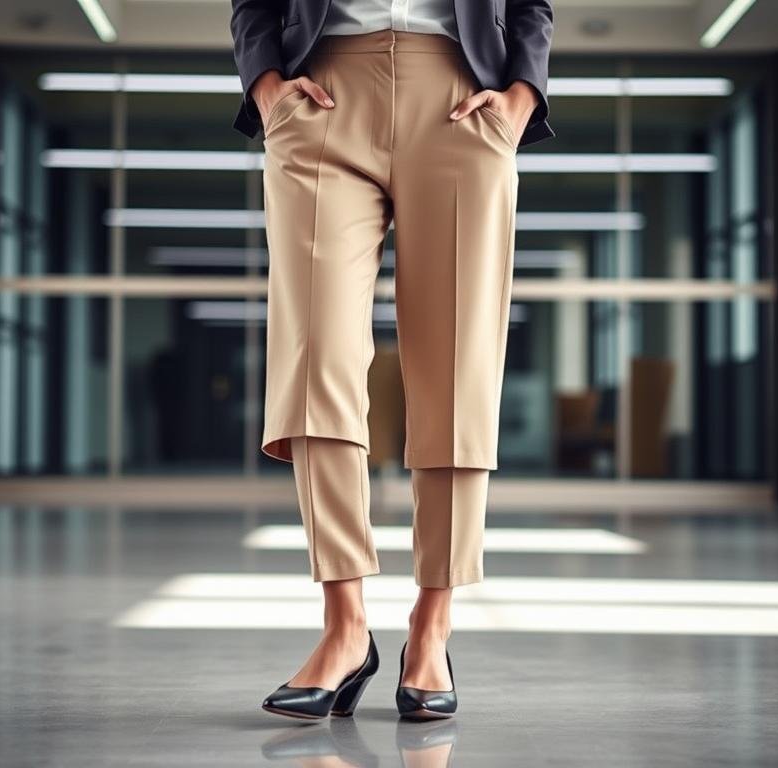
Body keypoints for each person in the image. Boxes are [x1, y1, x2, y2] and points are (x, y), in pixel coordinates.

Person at [229, 0, 554, 720]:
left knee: (458, 369)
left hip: (463, 96)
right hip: (322, 90)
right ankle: (344, 627)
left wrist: (522, 98)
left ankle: (431, 627)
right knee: (316, 358)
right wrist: (267, 87)